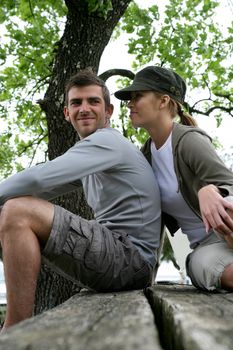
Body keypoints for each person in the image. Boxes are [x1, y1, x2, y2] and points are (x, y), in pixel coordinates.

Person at [0, 69, 161, 330]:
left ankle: (15, 329)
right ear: (67, 113)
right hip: (119, 260)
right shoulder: (92, 157)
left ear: (109, 111)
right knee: (10, 210)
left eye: (93, 101)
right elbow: (40, 191)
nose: (84, 108)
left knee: (16, 211)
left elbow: (39, 179)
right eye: (76, 103)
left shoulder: (108, 142)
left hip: (131, 260)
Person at [115, 65, 233, 292]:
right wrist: (148, 273)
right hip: (207, 247)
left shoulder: (188, 141)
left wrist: (210, 190)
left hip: (226, 223)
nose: (130, 103)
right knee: (199, 266)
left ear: (163, 101)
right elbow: (152, 222)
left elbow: (229, 184)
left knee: (225, 207)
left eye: (138, 96)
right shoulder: (145, 158)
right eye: (130, 98)